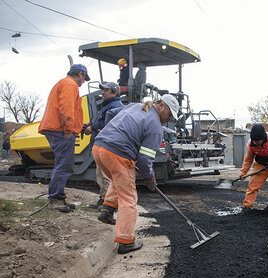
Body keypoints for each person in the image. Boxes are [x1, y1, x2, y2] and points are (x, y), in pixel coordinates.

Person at [92, 94, 179, 254]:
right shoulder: (155, 126)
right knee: (129, 198)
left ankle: (108, 210)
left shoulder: (135, 106)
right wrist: (149, 178)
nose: (169, 119)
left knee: (118, 180)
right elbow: (145, 159)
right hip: (117, 153)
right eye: (169, 114)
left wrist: (114, 133)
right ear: (161, 106)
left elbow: (111, 114)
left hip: (99, 147)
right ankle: (126, 241)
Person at [38, 64, 90, 213]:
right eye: (84, 78)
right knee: (64, 164)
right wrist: (68, 129)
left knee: (62, 163)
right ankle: (55, 198)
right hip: (61, 130)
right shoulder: (70, 85)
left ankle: (58, 196)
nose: (83, 82)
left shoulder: (63, 83)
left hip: (56, 129)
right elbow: (66, 109)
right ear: (80, 74)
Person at [84, 82, 123, 209]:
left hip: (108, 146)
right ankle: (103, 199)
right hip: (102, 145)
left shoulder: (115, 106)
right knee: (100, 174)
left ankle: (108, 202)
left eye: (106, 90)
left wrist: (92, 127)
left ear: (114, 93)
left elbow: (109, 125)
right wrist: (90, 125)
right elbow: (99, 121)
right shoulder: (106, 106)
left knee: (106, 175)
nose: (102, 92)